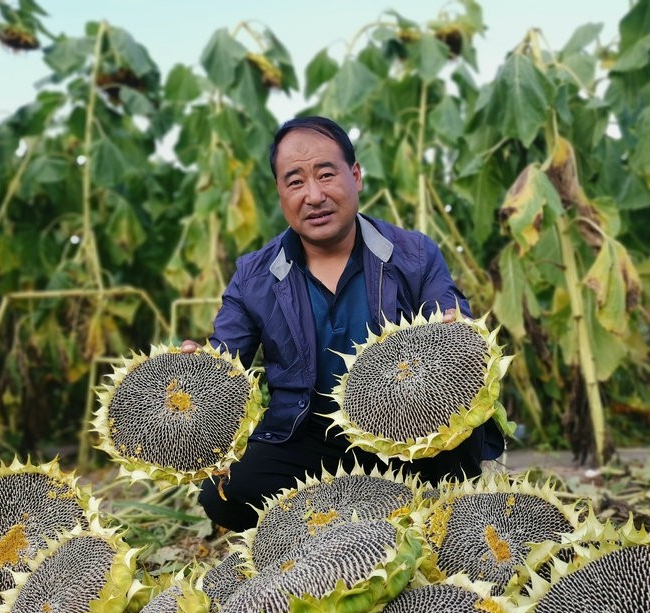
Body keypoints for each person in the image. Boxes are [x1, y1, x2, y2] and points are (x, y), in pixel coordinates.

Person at [181, 116, 502, 531]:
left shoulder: (414, 253)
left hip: (406, 428)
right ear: (280, 192)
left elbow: (453, 322)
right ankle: (359, 524)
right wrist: (199, 374)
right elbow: (225, 361)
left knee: (459, 457)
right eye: (295, 181)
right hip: (305, 434)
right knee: (226, 494)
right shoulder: (254, 275)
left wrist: (455, 327)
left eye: (326, 174)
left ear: (356, 176)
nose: (314, 195)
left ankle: (352, 522)